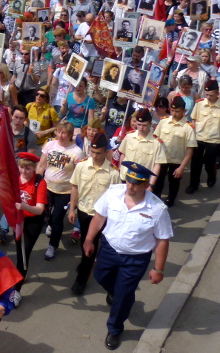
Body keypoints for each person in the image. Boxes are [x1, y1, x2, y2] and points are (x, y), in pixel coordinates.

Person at [84, 162, 173, 350]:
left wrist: (158, 269)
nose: (130, 186)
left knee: (124, 295)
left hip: (135, 258)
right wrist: (89, 239)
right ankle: (115, 293)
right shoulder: (113, 193)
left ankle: (115, 329)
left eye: (136, 184)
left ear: (146, 185)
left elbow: (162, 240)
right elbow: (99, 217)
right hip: (109, 249)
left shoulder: (157, 209)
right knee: (101, 277)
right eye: (128, 181)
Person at [68, 133, 122, 295]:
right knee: (85, 243)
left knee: (90, 247)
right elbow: (75, 187)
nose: (95, 155)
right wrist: (72, 209)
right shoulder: (82, 166)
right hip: (84, 212)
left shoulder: (113, 173)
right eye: (92, 152)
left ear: (105, 151)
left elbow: (115, 198)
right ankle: (87, 263)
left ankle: (81, 280)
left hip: (102, 216)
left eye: (98, 153)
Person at [37, 120, 84, 260]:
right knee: (46, 213)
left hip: (64, 192)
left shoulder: (77, 152)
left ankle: (52, 245)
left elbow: (78, 175)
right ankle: (49, 223)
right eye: (58, 132)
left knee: (58, 218)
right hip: (47, 186)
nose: (60, 135)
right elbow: (41, 165)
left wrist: (75, 198)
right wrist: (37, 182)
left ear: (70, 135)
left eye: (64, 133)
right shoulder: (50, 144)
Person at [12, 152, 47, 306]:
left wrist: (23, 206)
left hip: (33, 222)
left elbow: (39, 209)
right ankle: (20, 275)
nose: (24, 171)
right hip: (17, 221)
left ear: (34, 168)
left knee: (23, 254)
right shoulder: (15, 179)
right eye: (22, 167)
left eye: (28, 168)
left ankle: (17, 290)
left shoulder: (40, 182)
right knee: (19, 251)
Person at [153, 96, 196, 206]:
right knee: (158, 181)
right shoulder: (163, 122)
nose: (174, 113)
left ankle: (170, 200)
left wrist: (182, 167)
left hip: (176, 161)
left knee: (174, 182)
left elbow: (189, 150)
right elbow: (155, 139)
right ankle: (155, 200)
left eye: (177, 111)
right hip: (162, 158)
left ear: (184, 111)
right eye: (172, 110)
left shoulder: (188, 127)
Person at [185, 79, 220, 194]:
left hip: (214, 139)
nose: (208, 97)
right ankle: (193, 185)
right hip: (199, 137)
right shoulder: (200, 103)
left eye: (211, 95)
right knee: (195, 163)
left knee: (209, 163)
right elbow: (194, 120)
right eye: (207, 94)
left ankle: (211, 175)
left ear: (217, 93)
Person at [117, 109, 165, 188]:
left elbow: (157, 165)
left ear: (150, 124)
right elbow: (123, 155)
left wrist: (151, 185)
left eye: (144, 125)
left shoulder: (156, 143)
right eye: (139, 124)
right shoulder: (129, 136)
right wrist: (120, 171)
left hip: (142, 180)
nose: (141, 127)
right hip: (125, 177)